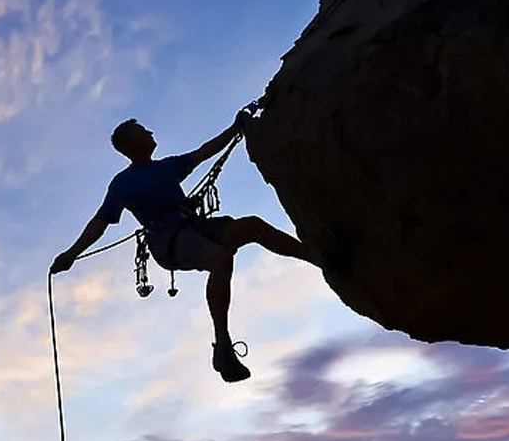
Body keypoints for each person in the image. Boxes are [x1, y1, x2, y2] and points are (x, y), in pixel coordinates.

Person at [50, 116, 316, 385]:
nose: (150, 131)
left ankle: (318, 258)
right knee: (220, 259)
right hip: (168, 241)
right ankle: (222, 347)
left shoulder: (167, 166)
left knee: (253, 227)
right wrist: (72, 253)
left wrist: (236, 128)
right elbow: (100, 221)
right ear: (131, 143)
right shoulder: (123, 183)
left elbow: (203, 152)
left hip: (193, 227)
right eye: (142, 130)